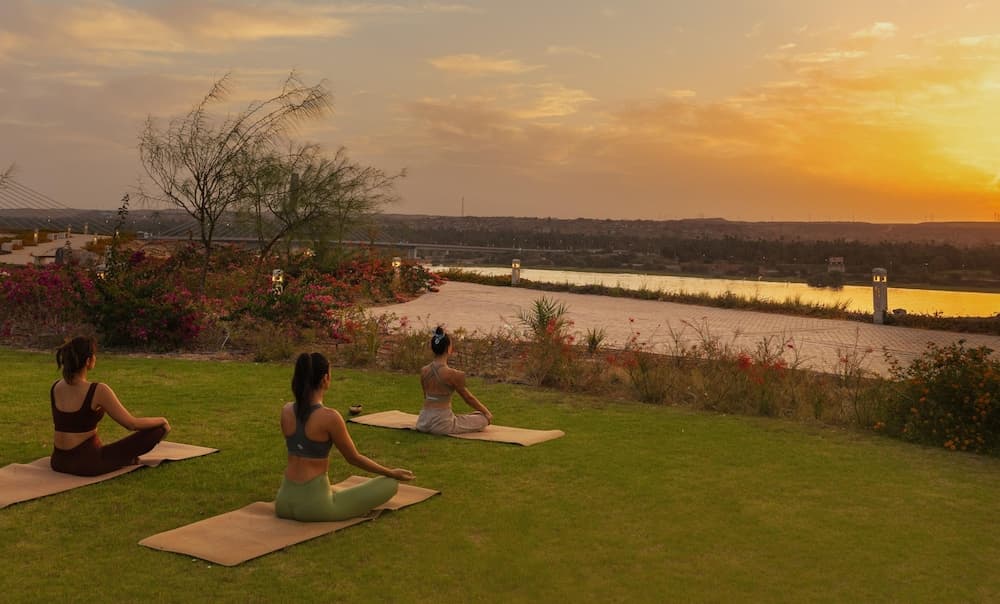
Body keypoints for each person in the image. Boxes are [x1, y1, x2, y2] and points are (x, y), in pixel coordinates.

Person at [276, 352, 415, 522]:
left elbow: (299, 446)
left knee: (335, 490)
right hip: (314, 507)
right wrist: (390, 472)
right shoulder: (329, 417)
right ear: (325, 378)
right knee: (389, 484)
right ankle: (328, 496)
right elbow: (354, 458)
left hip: (283, 501)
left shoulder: (286, 410)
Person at [50, 336, 170, 476]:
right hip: (86, 464)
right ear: (88, 361)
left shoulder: (56, 387)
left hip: (58, 461)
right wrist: (162, 420)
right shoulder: (98, 390)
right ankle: (121, 459)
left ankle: (120, 459)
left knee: (111, 451)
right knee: (158, 429)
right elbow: (131, 423)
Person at [416, 326, 493, 435]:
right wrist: (487, 413)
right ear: (449, 349)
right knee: (483, 418)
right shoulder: (454, 374)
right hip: (442, 424)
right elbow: (468, 398)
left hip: (423, 422)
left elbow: (426, 396)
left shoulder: (423, 371)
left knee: (471, 416)